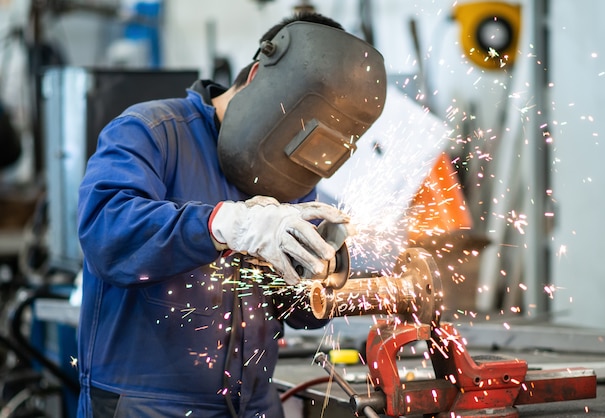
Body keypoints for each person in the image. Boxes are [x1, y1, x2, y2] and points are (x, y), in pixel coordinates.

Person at [76, 11, 386, 418]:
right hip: (148, 406)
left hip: (254, 405)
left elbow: (295, 311)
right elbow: (105, 230)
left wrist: (322, 273)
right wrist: (224, 225)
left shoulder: (290, 176)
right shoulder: (151, 130)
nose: (300, 157)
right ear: (258, 76)